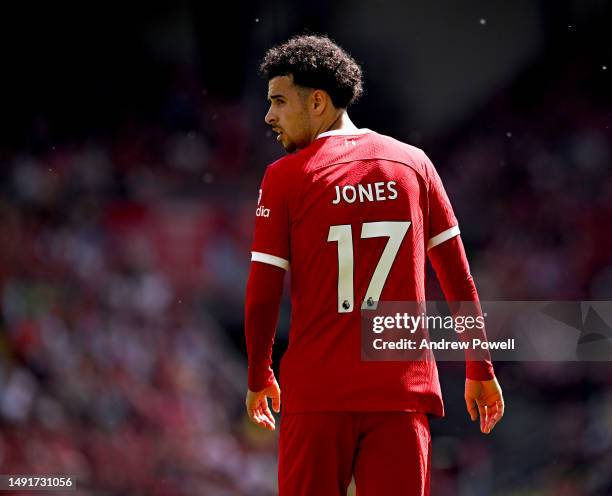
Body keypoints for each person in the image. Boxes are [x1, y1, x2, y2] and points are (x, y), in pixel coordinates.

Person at [244, 34, 504, 496]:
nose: (269, 116)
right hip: (399, 393)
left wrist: (260, 373)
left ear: (318, 102)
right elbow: (457, 277)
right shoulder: (414, 165)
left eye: (279, 102)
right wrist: (479, 366)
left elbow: (264, 291)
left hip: (319, 395)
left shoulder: (284, 178)